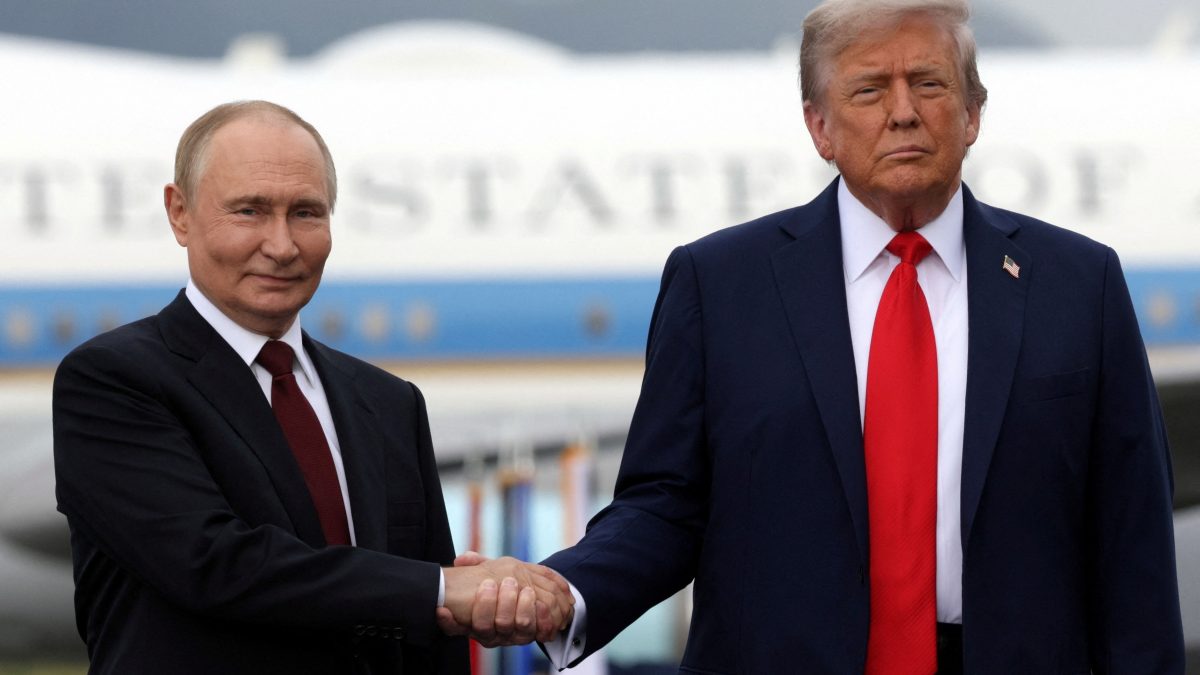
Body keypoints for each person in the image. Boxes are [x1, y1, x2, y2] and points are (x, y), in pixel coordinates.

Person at [450, 0, 1186, 671]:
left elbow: (1134, 541)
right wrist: (567, 590)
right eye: (869, 90)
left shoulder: (1078, 284)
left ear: (972, 114)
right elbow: (665, 505)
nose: (903, 113)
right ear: (819, 127)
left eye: (929, 84)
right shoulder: (720, 285)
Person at [52, 100, 571, 674]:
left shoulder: (389, 403)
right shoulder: (112, 381)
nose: (282, 246)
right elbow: (216, 565)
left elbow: (430, 644)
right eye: (249, 211)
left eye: (305, 213)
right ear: (180, 213)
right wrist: (443, 589)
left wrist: (456, 596)